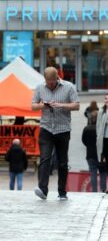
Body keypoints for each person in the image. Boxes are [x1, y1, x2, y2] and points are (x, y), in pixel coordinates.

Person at [31, 66, 80, 201]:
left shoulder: (69, 87)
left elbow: (76, 105)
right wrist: (43, 105)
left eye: (52, 82)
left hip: (62, 129)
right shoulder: (40, 87)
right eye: (48, 82)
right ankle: (42, 190)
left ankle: (62, 192)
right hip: (46, 128)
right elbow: (33, 105)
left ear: (57, 78)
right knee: (45, 158)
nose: (50, 84)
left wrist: (61, 105)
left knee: (62, 162)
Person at [82, 112, 106, 193]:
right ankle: (103, 189)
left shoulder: (86, 128)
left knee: (93, 173)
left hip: (90, 155)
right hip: (102, 155)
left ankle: (94, 191)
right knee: (103, 172)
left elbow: (84, 141)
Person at [96, 94, 108, 193]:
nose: (106, 100)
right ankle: (105, 187)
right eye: (105, 98)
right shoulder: (101, 111)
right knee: (104, 163)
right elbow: (98, 126)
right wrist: (98, 137)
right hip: (104, 140)